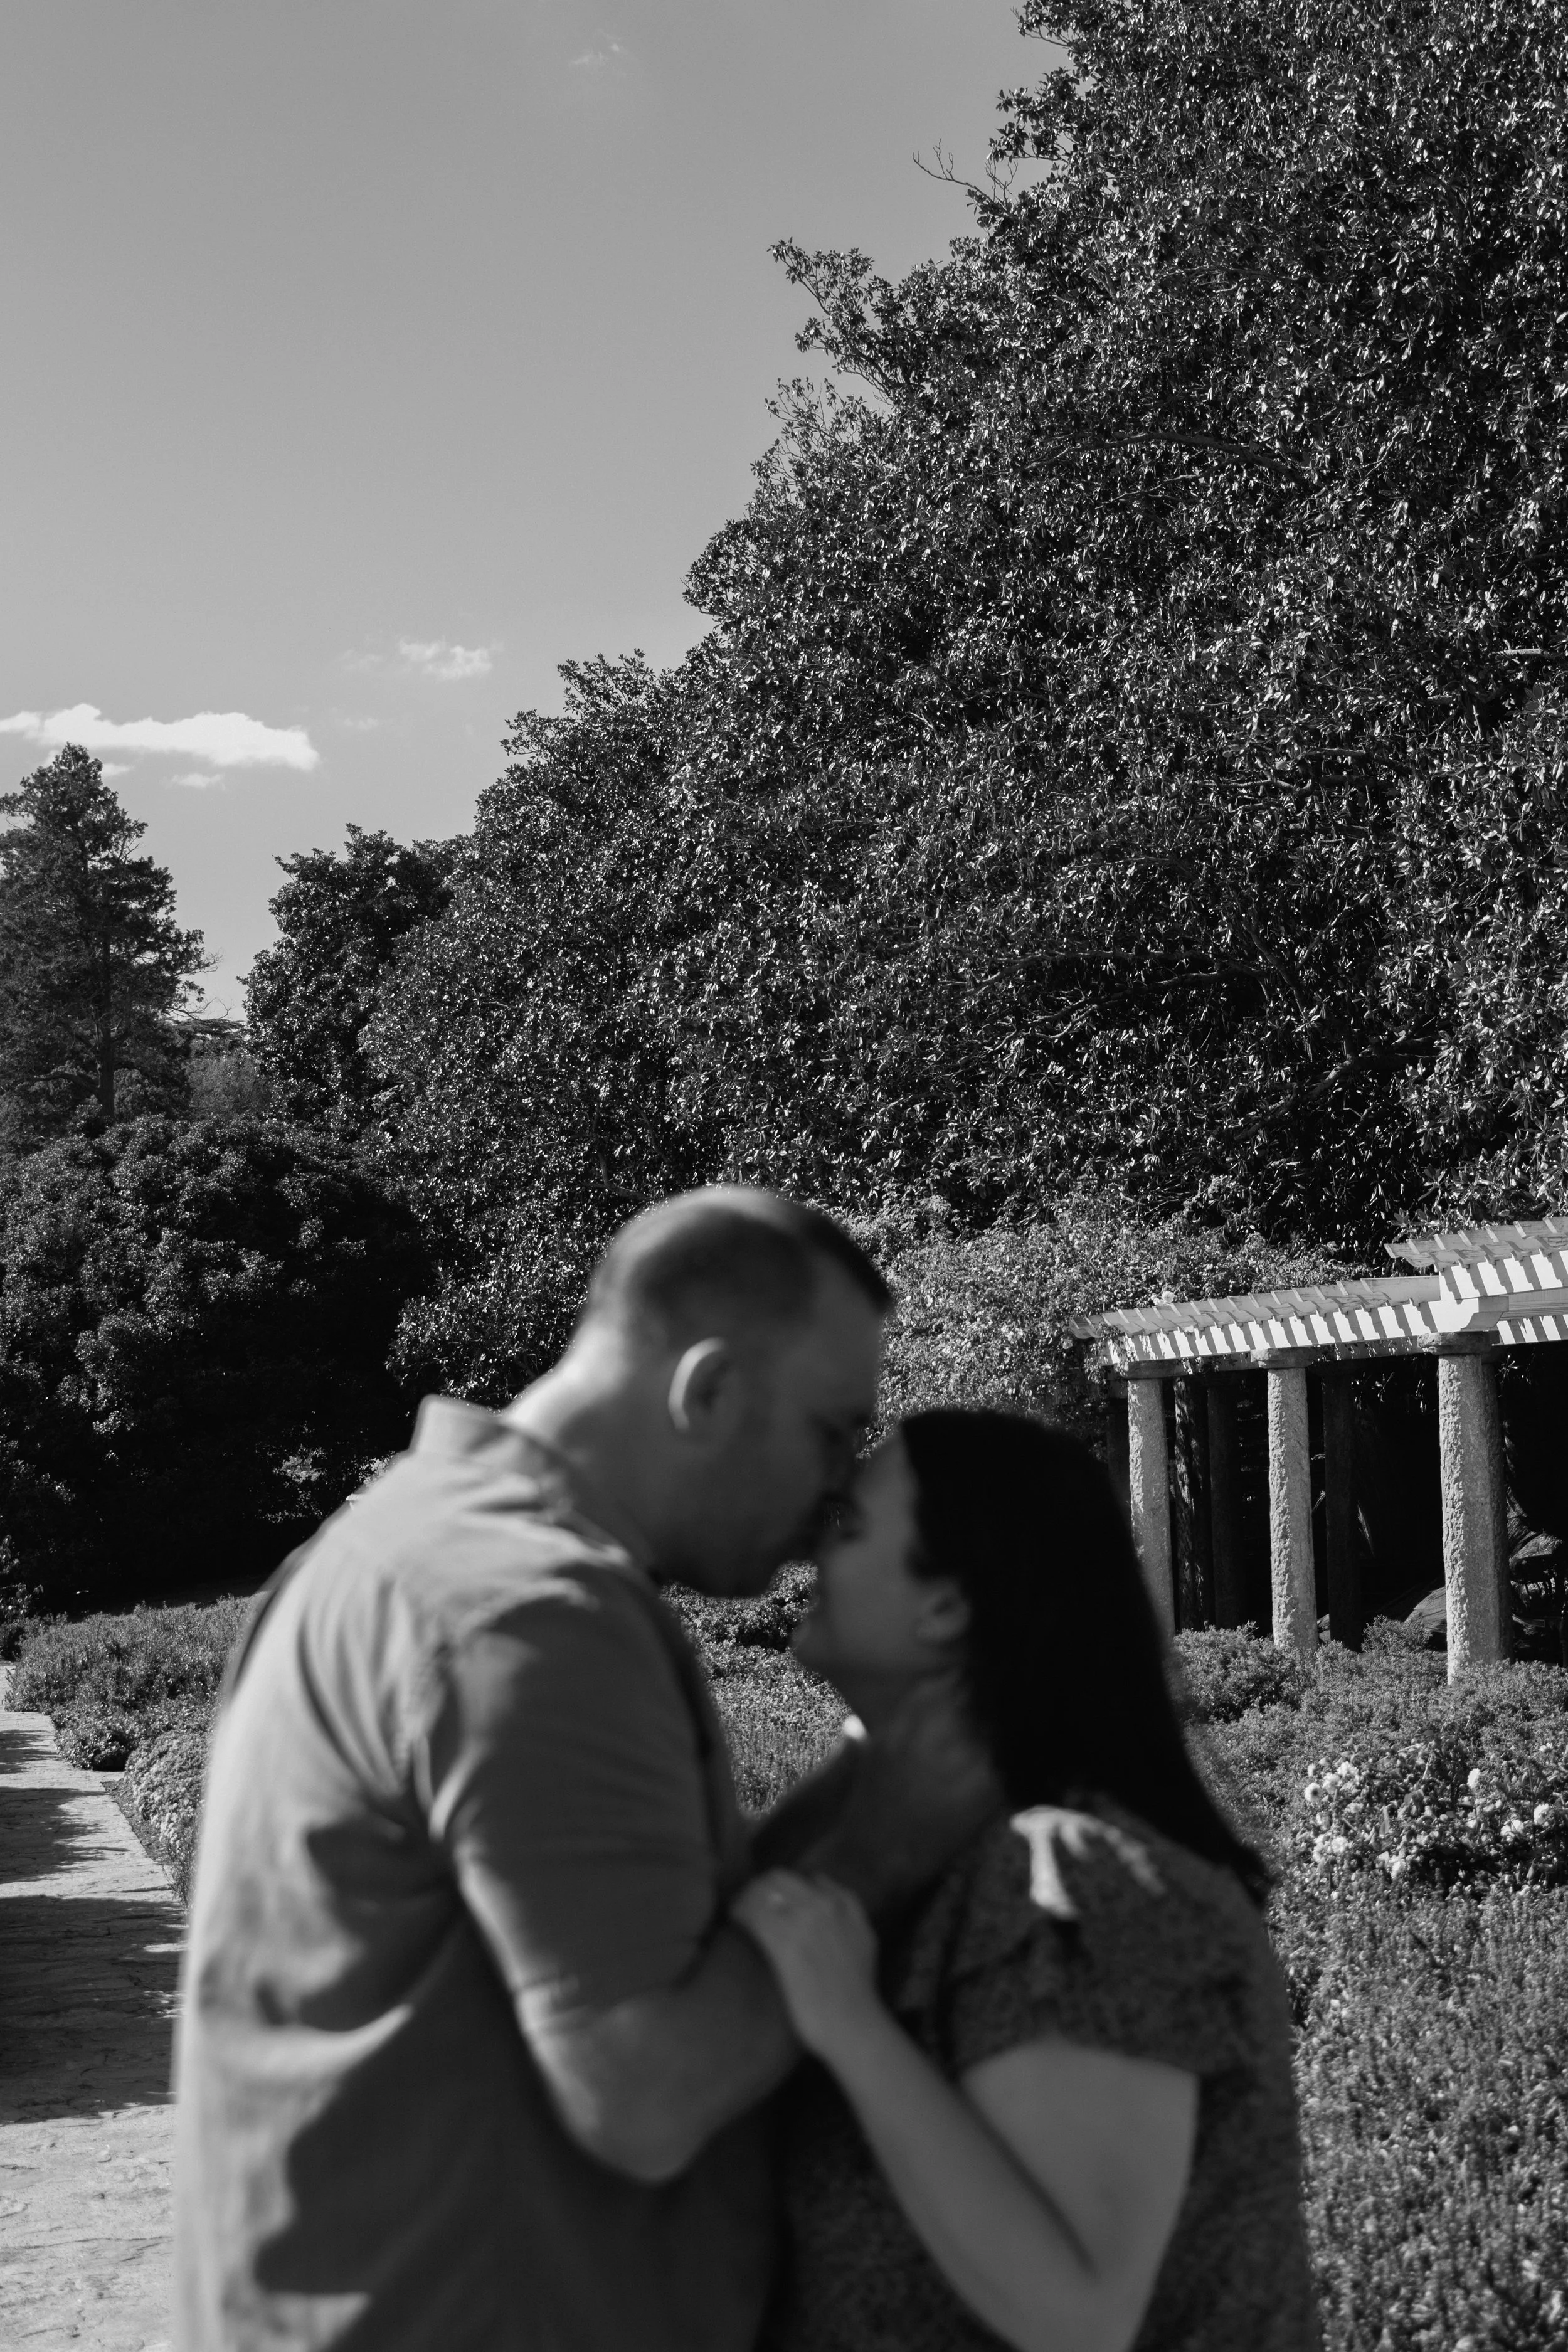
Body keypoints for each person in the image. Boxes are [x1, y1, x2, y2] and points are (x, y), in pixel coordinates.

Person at [173, 1189, 989, 2352]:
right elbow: (645, 2095)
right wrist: (894, 1833)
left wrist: (869, 1772)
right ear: (709, 1389)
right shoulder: (529, 1614)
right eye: (832, 1431)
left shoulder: (384, 1548)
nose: (838, 1489)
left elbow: (646, 1945)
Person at [736, 1408, 1317, 2352]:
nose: (814, 1546)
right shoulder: (978, 1856)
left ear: (945, 1607)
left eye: (850, 1528)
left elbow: (1082, 2313)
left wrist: (850, 2027)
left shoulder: (1073, 1885)